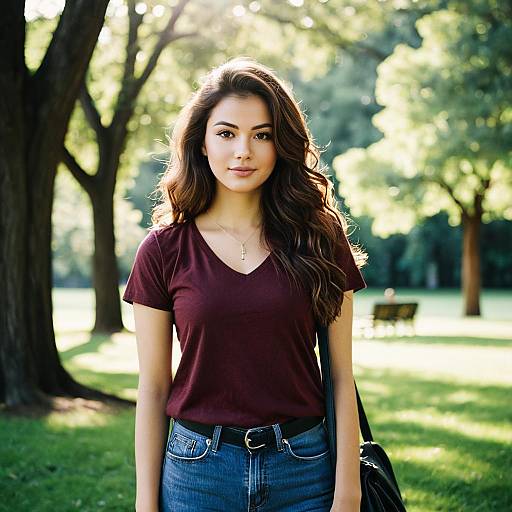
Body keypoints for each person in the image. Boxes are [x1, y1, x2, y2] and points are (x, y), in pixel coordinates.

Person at [122, 56, 367, 512]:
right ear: (200, 144)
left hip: (306, 469)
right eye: (226, 133)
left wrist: (347, 494)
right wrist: (145, 503)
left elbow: (340, 377)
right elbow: (154, 388)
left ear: (281, 145)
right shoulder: (162, 250)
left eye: (262, 135)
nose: (243, 152)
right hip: (196, 474)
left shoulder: (318, 238)